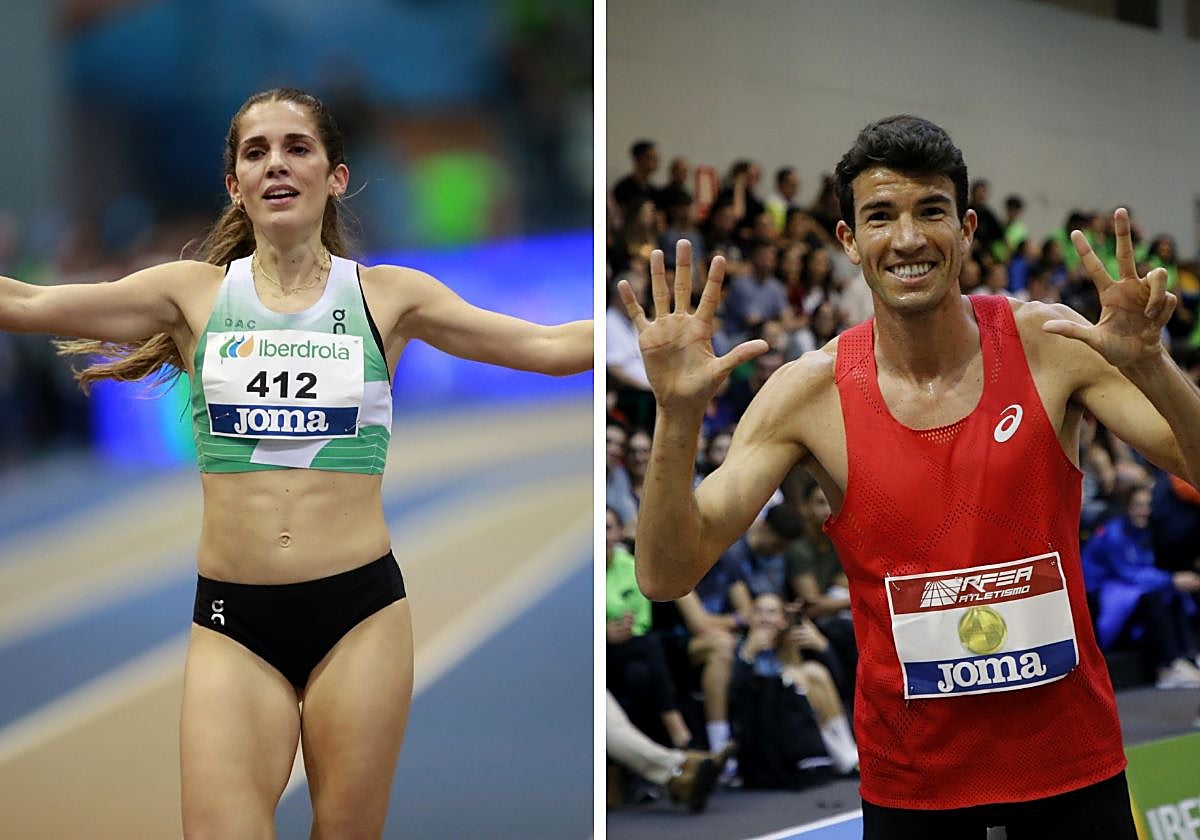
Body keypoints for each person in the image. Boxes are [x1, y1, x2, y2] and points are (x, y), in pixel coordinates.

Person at [0, 88, 591, 838]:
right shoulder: (192, 296)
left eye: (296, 148)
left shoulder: (388, 297)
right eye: (256, 152)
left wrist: (637, 338)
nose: (276, 163)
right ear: (235, 186)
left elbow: (541, 347)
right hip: (232, 620)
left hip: (360, 618)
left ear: (335, 176)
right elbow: (23, 303)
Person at [618, 114, 1200, 839]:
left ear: (966, 229)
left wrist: (1152, 365)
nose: (907, 238)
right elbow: (667, 573)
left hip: (1073, 770)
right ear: (848, 241)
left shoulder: (1050, 344)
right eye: (880, 216)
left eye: (931, 211)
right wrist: (676, 416)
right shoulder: (809, 392)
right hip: (913, 791)